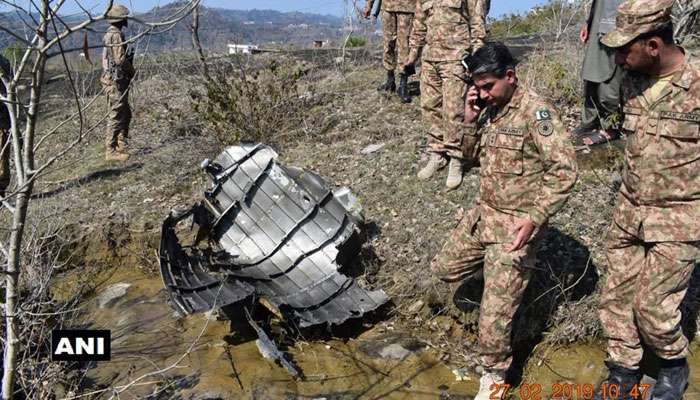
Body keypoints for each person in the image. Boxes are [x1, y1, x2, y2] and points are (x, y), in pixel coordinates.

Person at [432, 42, 577, 399]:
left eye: (487, 86)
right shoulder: (489, 108)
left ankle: (495, 374)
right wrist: (468, 119)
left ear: (510, 76)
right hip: (484, 216)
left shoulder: (536, 113)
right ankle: (501, 281)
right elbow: (469, 160)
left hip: (515, 227)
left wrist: (535, 218)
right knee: (443, 270)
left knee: (492, 320)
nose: (481, 93)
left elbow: (565, 171)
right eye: (476, 86)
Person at [595, 0, 700, 399]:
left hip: (680, 216)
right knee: (615, 297)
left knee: (653, 306)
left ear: (653, 45)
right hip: (629, 211)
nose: (619, 57)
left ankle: (673, 364)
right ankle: (624, 368)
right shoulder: (632, 80)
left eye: (626, 49)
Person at [405, 0, 488, 189]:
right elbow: (419, 24)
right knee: (429, 106)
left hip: (455, 57)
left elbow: (477, 21)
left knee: (454, 109)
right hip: (430, 59)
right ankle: (437, 153)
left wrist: (477, 55)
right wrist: (413, 54)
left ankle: (456, 158)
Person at [574, 0, 625, 146]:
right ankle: (589, 122)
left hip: (617, 24)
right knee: (591, 72)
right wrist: (588, 23)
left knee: (609, 75)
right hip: (599, 21)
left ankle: (611, 127)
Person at [363, 0, 416, 102]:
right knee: (388, 43)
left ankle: (403, 84)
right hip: (387, 6)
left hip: (407, 6)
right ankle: (390, 80)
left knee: (405, 45)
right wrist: (368, 5)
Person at [101, 4, 135, 161]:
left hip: (116, 79)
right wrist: (131, 69)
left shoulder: (112, 33)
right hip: (114, 80)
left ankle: (121, 143)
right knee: (117, 113)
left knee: (126, 113)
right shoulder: (115, 35)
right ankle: (111, 150)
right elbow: (119, 60)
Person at [0, 54, 12, 197]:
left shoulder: (3, 63)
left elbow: (9, 87)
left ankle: (1, 191)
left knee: (2, 155)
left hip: (2, 117)